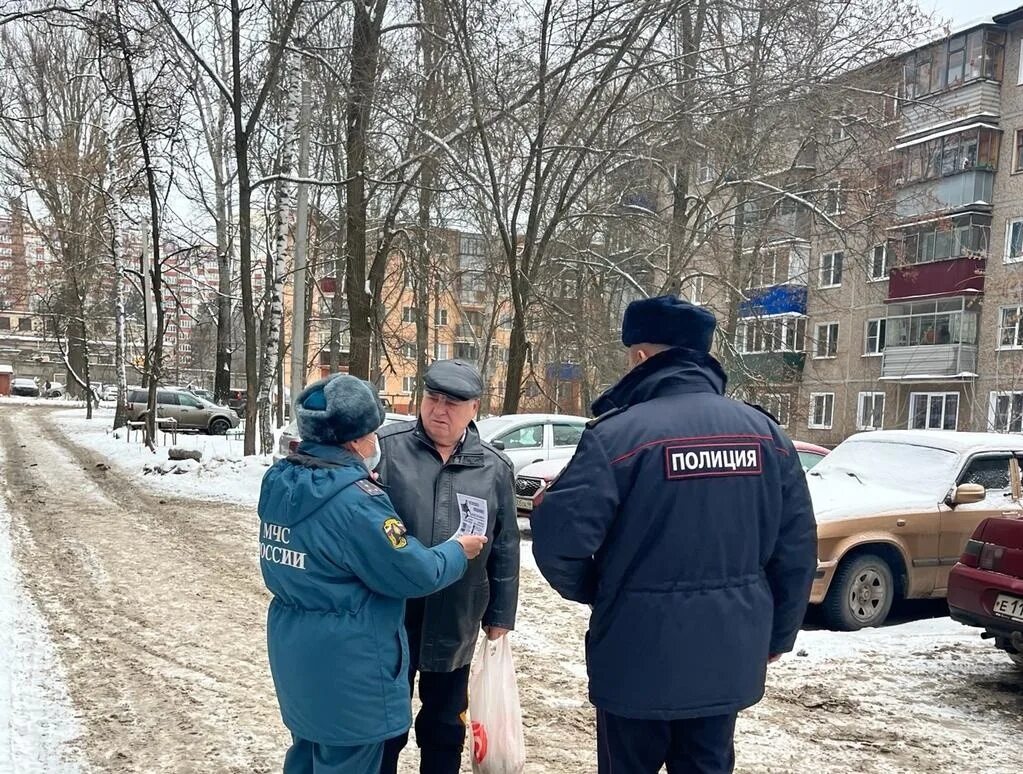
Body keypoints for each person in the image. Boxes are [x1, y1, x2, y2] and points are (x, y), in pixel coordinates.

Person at [530, 295, 817, 774]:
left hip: (635, 656)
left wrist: (600, 591)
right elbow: (797, 550)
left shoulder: (618, 436)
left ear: (641, 356)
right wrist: (776, 637)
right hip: (728, 653)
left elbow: (562, 542)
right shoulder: (765, 434)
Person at [258, 373, 488, 774]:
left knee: (307, 757)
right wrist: (456, 550)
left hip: (297, 655)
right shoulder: (357, 504)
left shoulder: (281, 482)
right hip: (349, 667)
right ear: (353, 441)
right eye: (370, 433)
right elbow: (413, 573)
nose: (374, 442)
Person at [376, 359, 520, 774]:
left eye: (453, 403)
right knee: (386, 724)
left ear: (475, 408)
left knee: (444, 725)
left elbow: (506, 547)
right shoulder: (387, 449)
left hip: (456, 616)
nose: (439, 410)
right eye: (433, 398)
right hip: (392, 613)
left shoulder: (493, 467)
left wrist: (500, 616)